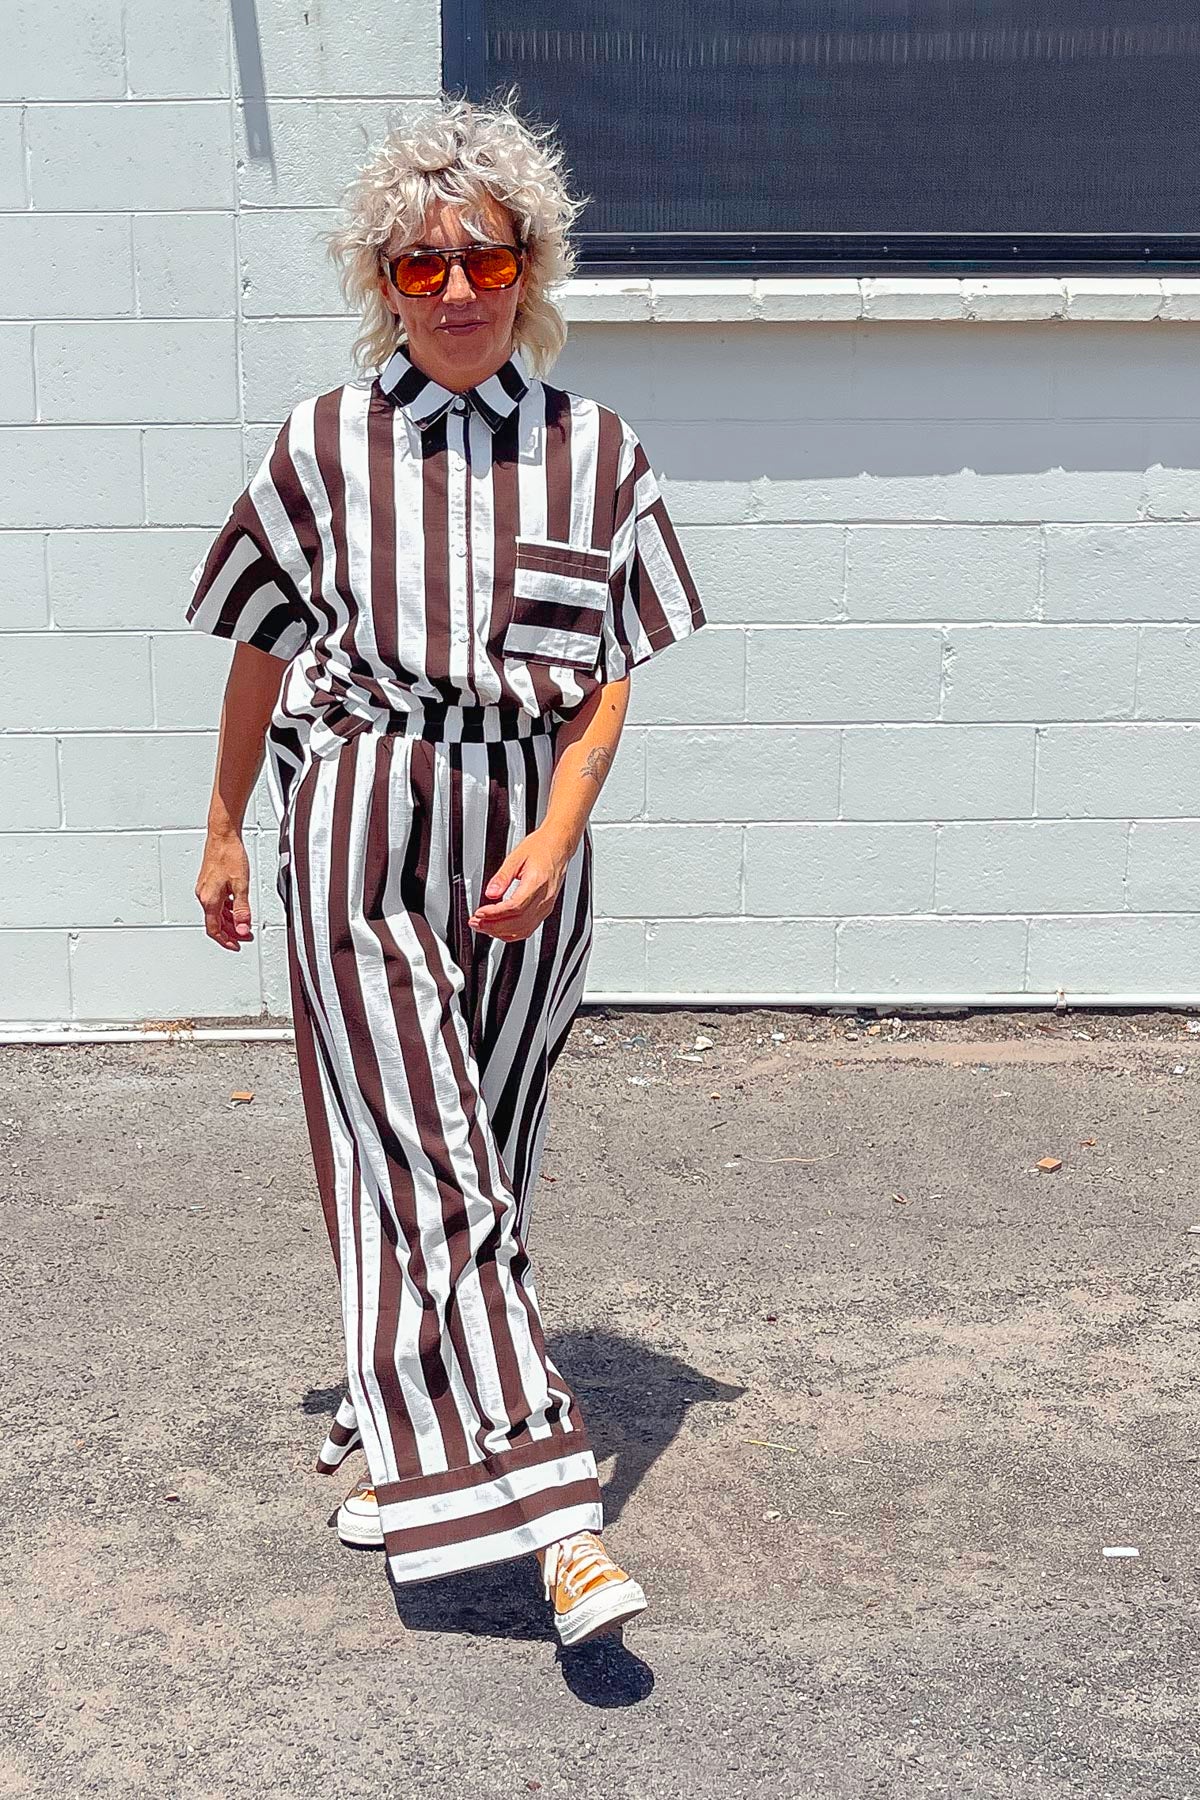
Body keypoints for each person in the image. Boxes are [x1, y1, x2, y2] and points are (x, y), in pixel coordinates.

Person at [186, 92, 706, 1648]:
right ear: (384, 282)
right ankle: (556, 1517)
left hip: (529, 839)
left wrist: (558, 831)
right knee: (429, 1159)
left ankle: (404, 1422)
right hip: (364, 815)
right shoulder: (323, 445)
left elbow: (608, 677)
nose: (460, 289)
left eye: (487, 258)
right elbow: (259, 646)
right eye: (424, 265)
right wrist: (224, 825)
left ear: (531, 267)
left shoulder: (596, 453)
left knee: (491, 1143)